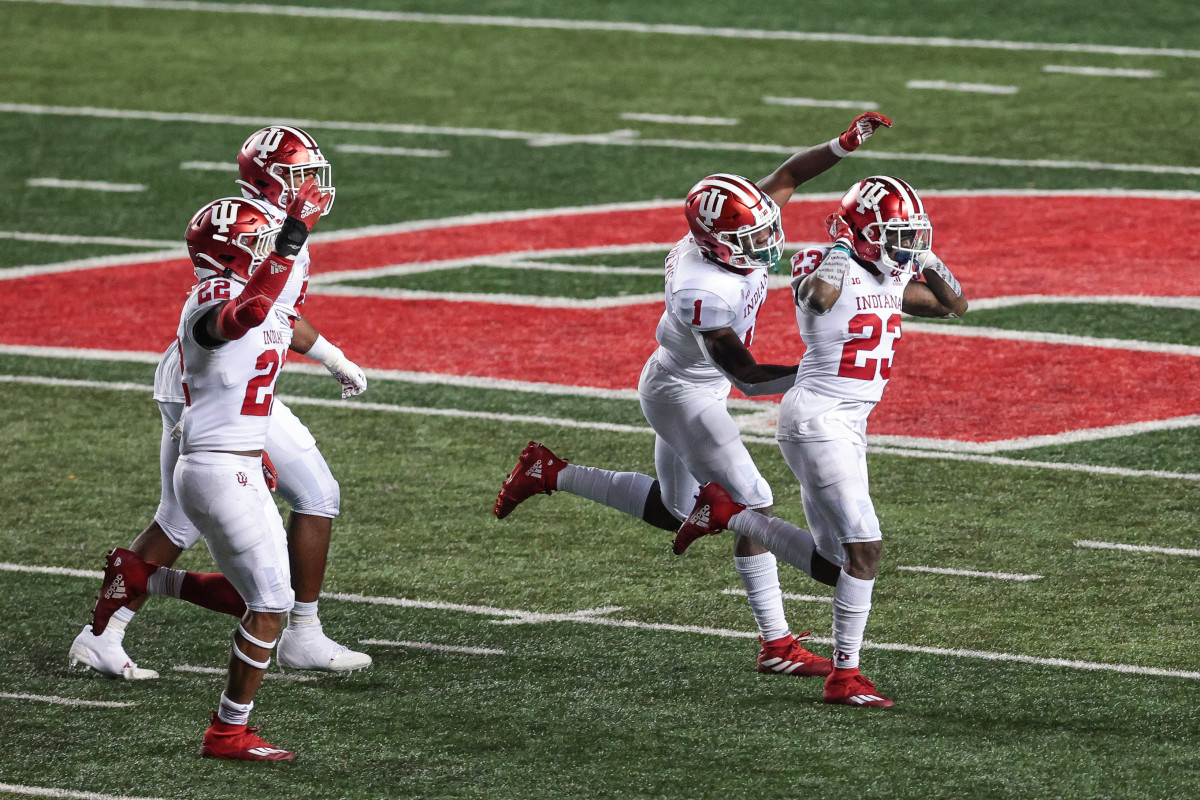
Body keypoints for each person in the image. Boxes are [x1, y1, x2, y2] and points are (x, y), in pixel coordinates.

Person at [494, 113, 892, 678]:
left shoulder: (728, 239)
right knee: (750, 503)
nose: (766, 242)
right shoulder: (701, 287)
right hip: (684, 392)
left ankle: (548, 472)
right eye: (750, 239)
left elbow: (789, 175)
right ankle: (775, 644)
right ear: (716, 243)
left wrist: (842, 145)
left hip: (685, 382)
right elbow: (748, 375)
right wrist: (824, 373)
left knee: (675, 509)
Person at [69, 126, 371, 680]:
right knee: (309, 494)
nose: (308, 184)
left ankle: (102, 634)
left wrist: (332, 356)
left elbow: (273, 317)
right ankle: (299, 632)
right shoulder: (259, 232)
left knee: (180, 519)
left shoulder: (267, 225)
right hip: (206, 389)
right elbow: (252, 311)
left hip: (215, 383)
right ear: (268, 179)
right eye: (297, 174)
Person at [674, 175, 968, 707]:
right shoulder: (819, 260)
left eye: (910, 233)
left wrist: (924, 257)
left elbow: (954, 305)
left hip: (848, 423)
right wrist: (841, 246)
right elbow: (815, 298)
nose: (902, 244)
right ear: (861, 233)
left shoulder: (892, 270)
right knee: (866, 547)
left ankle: (729, 513)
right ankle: (845, 675)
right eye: (894, 234)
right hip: (818, 419)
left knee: (836, 564)